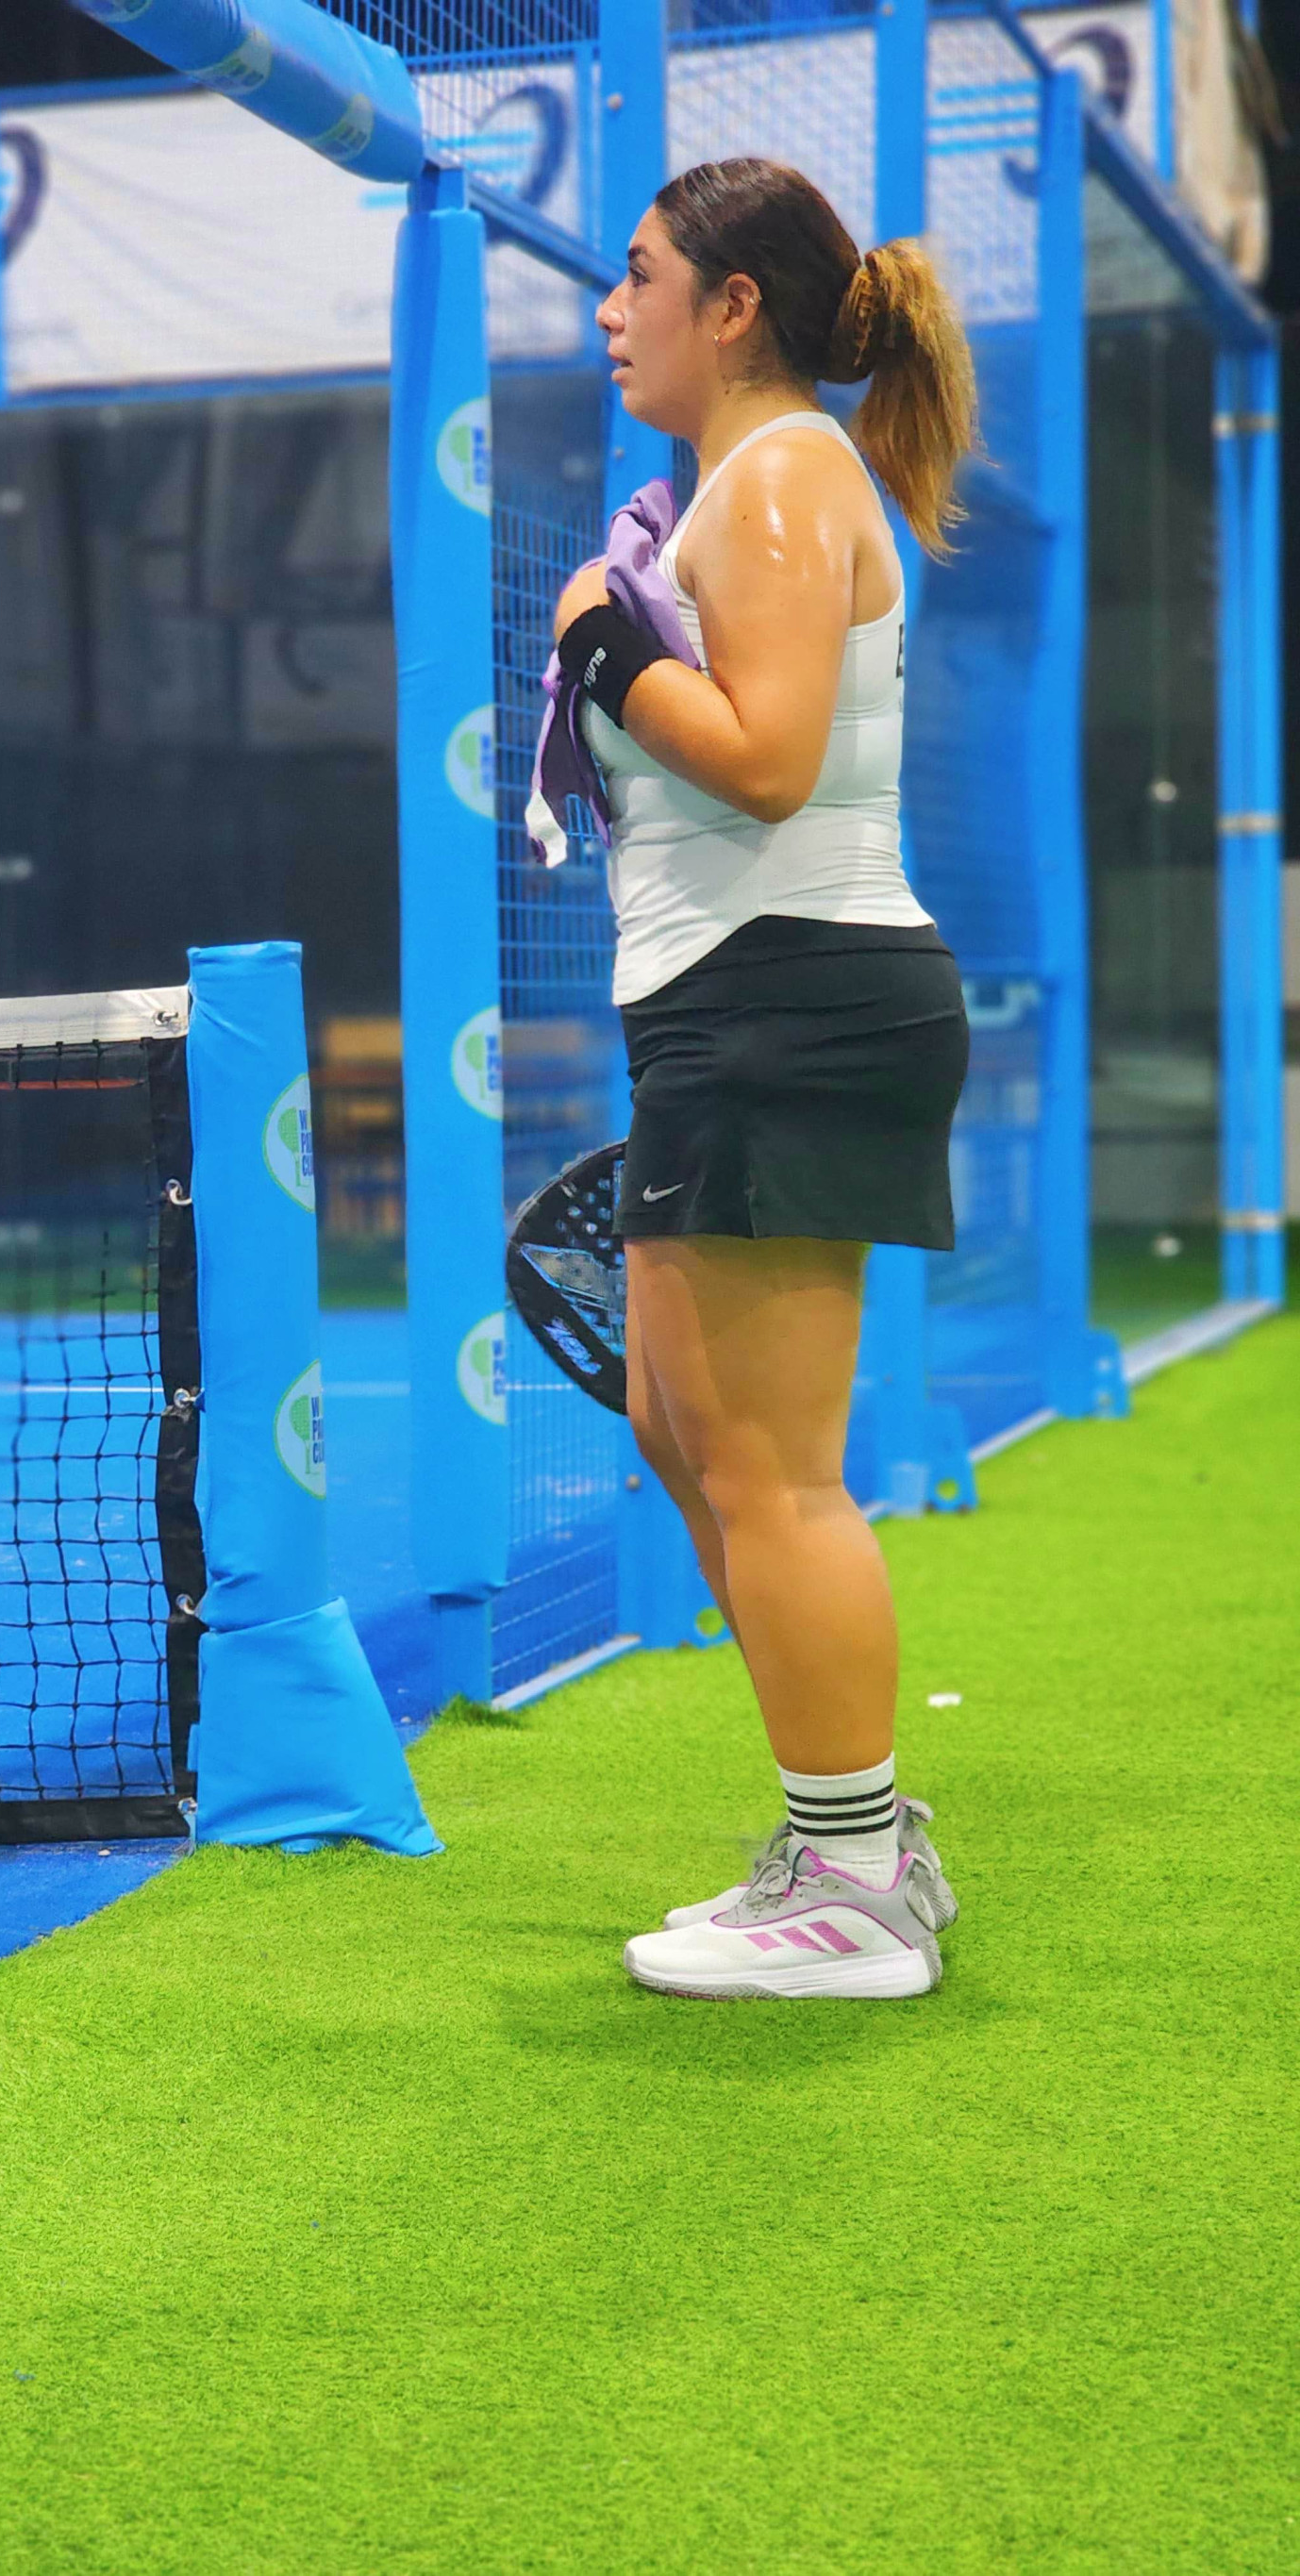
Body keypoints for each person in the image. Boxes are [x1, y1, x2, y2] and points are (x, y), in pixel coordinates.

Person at [550, 158, 976, 2000]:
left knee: (772, 1470)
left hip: (791, 997)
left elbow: (773, 756)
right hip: (734, 1003)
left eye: (639, 274)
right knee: (680, 1425)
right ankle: (839, 1833)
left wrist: (597, 641)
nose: (608, 308)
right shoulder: (734, 489)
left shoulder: (787, 471)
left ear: (732, 307)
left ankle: (859, 1888)